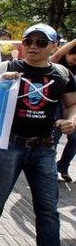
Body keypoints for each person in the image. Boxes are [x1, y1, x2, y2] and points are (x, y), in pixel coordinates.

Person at [0, 24, 76, 246]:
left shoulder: (62, 75)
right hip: (10, 144)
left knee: (48, 207)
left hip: (44, 148)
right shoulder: (6, 67)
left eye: (41, 42)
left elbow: (72, 105)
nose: (33, 46)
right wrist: (0, 83)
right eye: (29, 41)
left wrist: (72, 121)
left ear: (54, 46)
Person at [50, 38, 76, 182]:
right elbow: (56, 56)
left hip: (73, 108)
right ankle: (49, 169)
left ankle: (63, 166)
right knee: (54, 137)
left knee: (74, 140)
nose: (74, 61)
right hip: (58, 107)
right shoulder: (57, 65)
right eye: (73, 57)